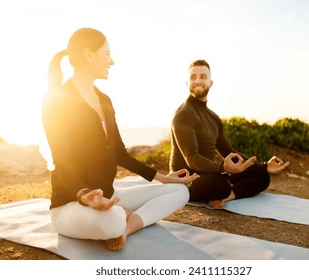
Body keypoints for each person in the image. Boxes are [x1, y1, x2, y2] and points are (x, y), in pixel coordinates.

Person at [42, 28, 199, 251]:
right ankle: (121, 221)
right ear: (88, 54)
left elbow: (120, 153)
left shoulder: (104, 101)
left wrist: (163, 178)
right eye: (107, 54)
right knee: (113, 219)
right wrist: (85, 196)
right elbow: (62, 160)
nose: (111, 61)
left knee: (180, 191)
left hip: (109, 196)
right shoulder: (55, 101)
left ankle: (127, 228)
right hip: (69, 204)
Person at [170, 59, 289, 208]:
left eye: (203, 76)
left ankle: (228, 196)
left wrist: (263, 167)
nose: (198, 80)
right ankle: (225, 190)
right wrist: (222, 169)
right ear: (187, 83)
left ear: (211, 82)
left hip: (209, 172)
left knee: (262, 176)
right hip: (187, 178)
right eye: (193, 77)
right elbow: (192, 158)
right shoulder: (183, 114)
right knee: (217, 182)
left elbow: (229, 153)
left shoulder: (213, 117)